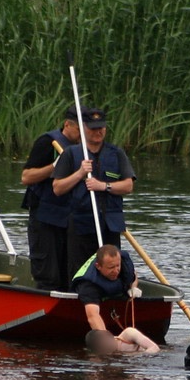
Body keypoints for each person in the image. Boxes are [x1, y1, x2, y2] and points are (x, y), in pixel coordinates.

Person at [51, 107, 137, 279]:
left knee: (112, 270)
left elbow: (128, 186)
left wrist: (104, 186)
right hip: (81, 224)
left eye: (101, 128)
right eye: (93, 128)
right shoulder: (71, 154)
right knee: (79, 272)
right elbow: (57, 188)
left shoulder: (116, 153)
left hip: (110, 223)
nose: (98, 132)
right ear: (83, 128)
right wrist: (79, 174)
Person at [20, 106, 82, 290]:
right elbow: (26, 177)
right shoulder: (48, 142)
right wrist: (54, 167)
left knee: (70, 273)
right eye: (79, 130)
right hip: (45, 217)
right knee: (48, 273)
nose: (82, 135)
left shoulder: (86, 149)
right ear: (67, 125)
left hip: (72, 219)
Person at [72, 244, 141, 331]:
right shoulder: (88, 285)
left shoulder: (122, 262)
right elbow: (93, 316)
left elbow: (132, 276)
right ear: (98, 266)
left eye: (117, 266)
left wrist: (133, 287)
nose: (116, 271)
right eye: (111, 267)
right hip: (95, 292)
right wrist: (106, 339)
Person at [85, 328, 160, 354]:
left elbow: (154, 348)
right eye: (101, 347)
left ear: (108, 333)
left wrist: (137, 356)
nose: (105, 346)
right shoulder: (108, 357)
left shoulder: (129, 333)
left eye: (103, 341)